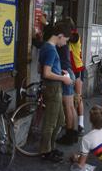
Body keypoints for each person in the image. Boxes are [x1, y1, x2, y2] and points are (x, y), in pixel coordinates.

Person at [38, 23, 72, 162]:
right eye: (65, 40)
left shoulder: (46, 46)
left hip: (51, 86)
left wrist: (59, 72)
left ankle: (51, 147)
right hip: (53, 87)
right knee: (51, 122)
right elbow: (46, 73)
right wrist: (63, 78)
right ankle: (46, 151)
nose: (65, 44)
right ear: (60, 36)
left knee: (60, 120)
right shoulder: (51, 50)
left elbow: (41, 70)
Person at [56, 35, 78, 145]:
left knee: (67, 107)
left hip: (65, 73)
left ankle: (69, 136)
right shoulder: (66, 43)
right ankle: (73, 133)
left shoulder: (60, 42)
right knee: (71, 106)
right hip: (69, 72)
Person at [69, 28, 85, 136]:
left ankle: (81, 124)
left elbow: (72, 38)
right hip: (70, 69)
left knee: (78, 97)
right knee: (70, 98)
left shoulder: (75, 35)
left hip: (77, 69)